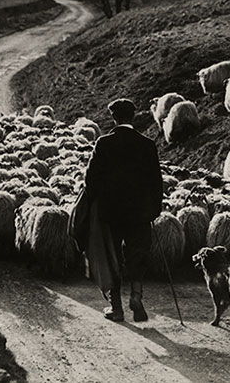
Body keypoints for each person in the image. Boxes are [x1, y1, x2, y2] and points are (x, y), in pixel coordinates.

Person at [84, 98, 163, 322]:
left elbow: (91, 180)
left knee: (113, 258)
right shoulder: (147, 144)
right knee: (137, 255)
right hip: (139, 214)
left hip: (111, 214)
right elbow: (156, 182)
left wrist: (93, 202)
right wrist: (154, 210)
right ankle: (137, 298)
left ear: (113, 117)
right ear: (133, 116)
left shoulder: (104, 143)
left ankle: (116, 308)